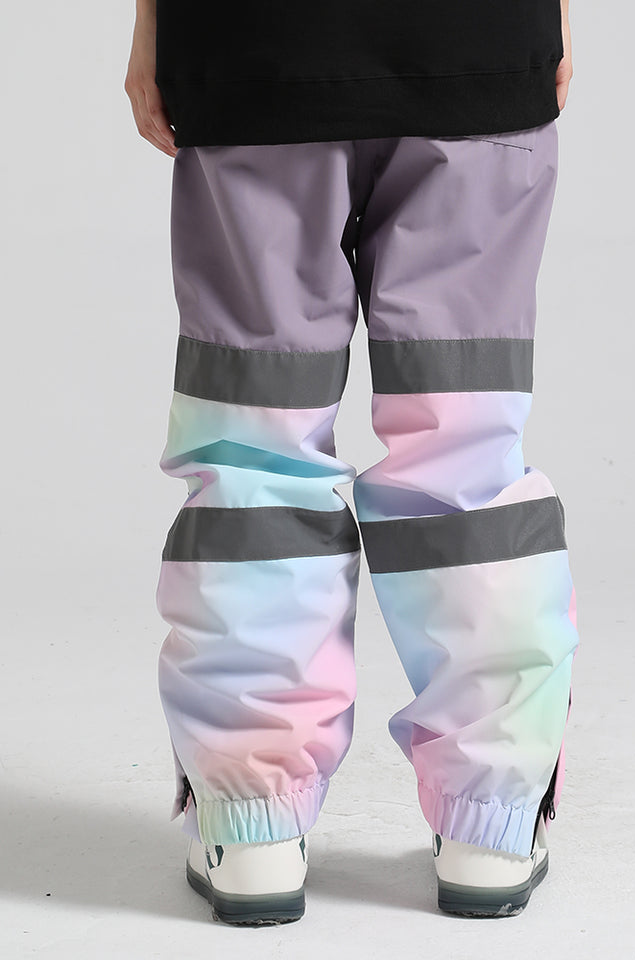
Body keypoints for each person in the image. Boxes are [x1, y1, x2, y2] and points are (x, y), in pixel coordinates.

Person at [125, 0, 579, 927]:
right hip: (478, 40)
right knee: (467, 449)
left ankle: (252, 827)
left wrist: (153, 23)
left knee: (254, 450)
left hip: (256, 47)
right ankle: (490, 825)